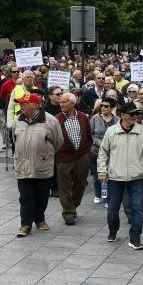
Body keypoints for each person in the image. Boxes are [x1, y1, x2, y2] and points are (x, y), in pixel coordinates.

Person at [98, 102, 143, 250]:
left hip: (137, 177)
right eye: (132, 114)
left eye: (137, 114)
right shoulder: (111, 131)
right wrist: (102, 171)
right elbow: (103, 152)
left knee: (137, 208)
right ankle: (113, 230)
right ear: (122, 115)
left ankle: (135, 237)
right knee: (112, 208)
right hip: (115, 177)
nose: (135, 117)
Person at [13, 92, 64, 237]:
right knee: (25, 197)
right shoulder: (18, 120)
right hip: (23, 165)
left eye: (24, 104)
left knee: (42, 196)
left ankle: (39, 218)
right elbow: (14, 140)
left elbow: (58, 142)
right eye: (20, 103)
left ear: (34, 105)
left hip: (42, 165)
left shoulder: (50, 121)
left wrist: (44, 155)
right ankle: (25, 225)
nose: (21, 106)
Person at [53, 92, 92, 225]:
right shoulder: (56, 119)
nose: (61, 104)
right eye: (60, 102)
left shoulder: (82, 117)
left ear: (73, 103)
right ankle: (68, 213)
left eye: (64, 102)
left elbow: (88, 135)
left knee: (80, 185)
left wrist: (87, 151)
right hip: (64, 157)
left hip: (82, 156)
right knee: (64, 186)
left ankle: (73, 206)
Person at [89, 98, 119, 204]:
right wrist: (101, 143)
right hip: (96, 152)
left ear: (112, 108)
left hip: (112, 153)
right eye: (102, 105)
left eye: (106, 106)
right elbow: (91, 135)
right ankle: (98, 194)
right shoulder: (95, 118)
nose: (103, 108)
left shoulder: (117, 120)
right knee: (98, 176)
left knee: (109, 177)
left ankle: (106, 197)